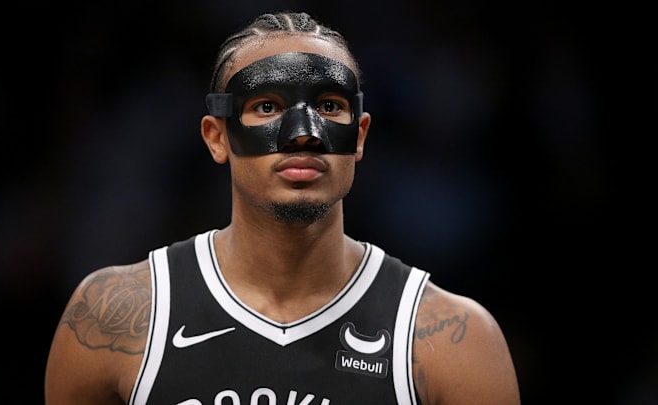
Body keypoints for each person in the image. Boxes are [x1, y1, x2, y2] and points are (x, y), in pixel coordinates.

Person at [44, 10, 521, 405]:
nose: (303, 132)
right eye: (267, 106)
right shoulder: (112, 318)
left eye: (330, 106)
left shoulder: (452, 339)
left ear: (359, 137)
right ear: (217, 137)